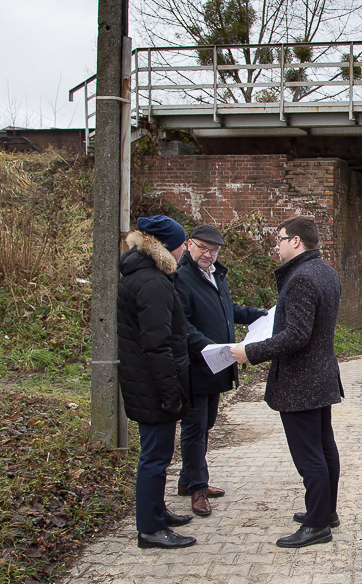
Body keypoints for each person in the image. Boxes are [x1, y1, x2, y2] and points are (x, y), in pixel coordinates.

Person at [230, 215, 343, 549]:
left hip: (302, 382)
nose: (276, 245)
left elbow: (296, 336)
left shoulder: (302, 278)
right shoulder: (326, 271)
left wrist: (249, 352)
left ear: (296, 241)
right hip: (321, 375)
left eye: (280, 239)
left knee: (310, 456)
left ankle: (318, 525)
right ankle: (325, 511)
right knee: (324, 447)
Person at [174, 224, 266, 516]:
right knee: (194, 427)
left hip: (216, 366)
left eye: (213, 250)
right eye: (203, 248)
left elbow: (228, 309)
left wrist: (259, 315)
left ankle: (187, 481)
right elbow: (182, 325)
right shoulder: (181, 277)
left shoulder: (216, 275)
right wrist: (211, 347)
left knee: (207, 423)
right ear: (190, 245)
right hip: (194, 366)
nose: (208, 254)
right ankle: (198, 489)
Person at [117, 215, 196, 549]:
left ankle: (156, 511)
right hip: (152, 386)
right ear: (167, 246)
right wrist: (170, 394)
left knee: (156, 454)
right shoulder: (153, 283)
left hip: (144, 381)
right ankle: (150, 528)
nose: (184, 250)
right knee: (154, 457)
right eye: (181, 243)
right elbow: (157, 344)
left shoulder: (144, 275)